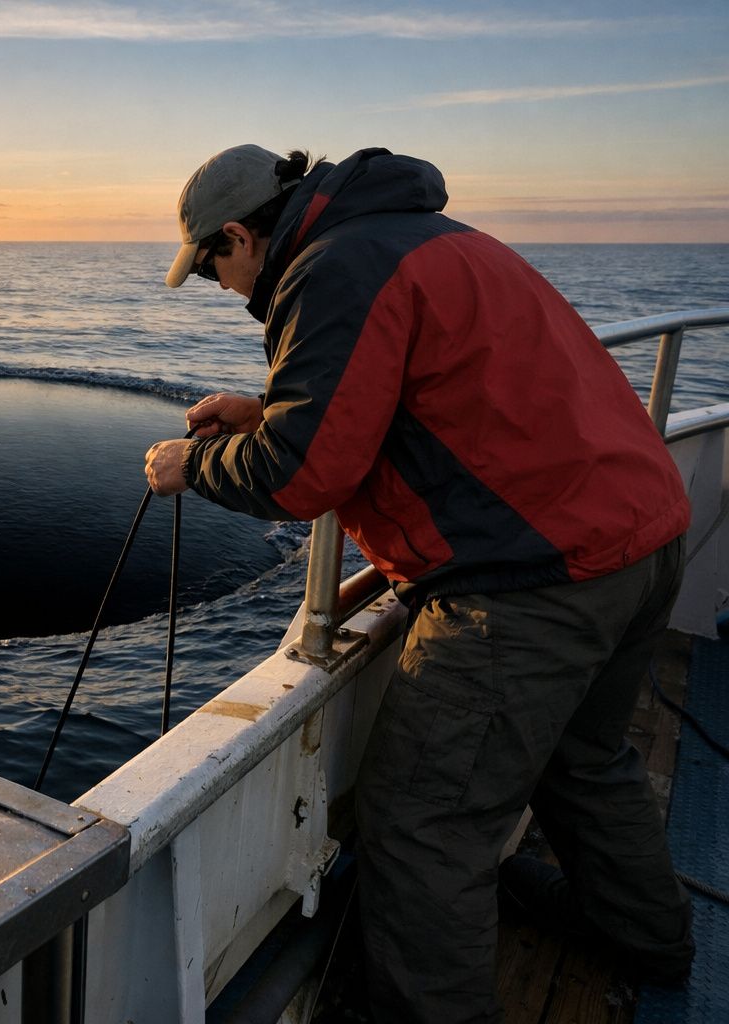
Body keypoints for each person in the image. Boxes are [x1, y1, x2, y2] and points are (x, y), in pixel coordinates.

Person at [143, 144, 695, 1023]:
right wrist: (264, 410)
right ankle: (645, 938)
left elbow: (299, 476)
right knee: (587, 760)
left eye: (211, 266)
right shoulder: (417, 235)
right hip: (642, 533)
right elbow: (418, 396)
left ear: (241, 235)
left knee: (421, 826)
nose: (219, 285)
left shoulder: (329, 271)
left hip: (529, 585)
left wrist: (195, 464)